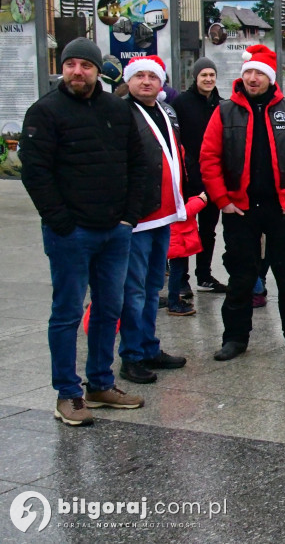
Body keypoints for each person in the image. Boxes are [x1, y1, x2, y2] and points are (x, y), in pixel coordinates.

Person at [20, 37, 146, 426]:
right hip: (71, 233)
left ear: (97, 71)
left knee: (109, 308)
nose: (78, 71)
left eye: (85, 65)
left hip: (115, 230)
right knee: (68, 312)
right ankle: (68, 393)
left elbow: (138, 163)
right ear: (63, 68)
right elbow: (35, 173)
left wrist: (129, 217)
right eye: (71, 64)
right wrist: (60, 221)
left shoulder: (116, 109)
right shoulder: (45, 112)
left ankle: (100, 382)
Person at [200, 44, 285, 360]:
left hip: (283, 209)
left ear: (270, 77)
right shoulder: (225, 111)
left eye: (259, 73)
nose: (253, 78)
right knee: (240, 276)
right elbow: (209, 157)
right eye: (248, 72)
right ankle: (235, 339)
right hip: (240, 209)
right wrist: (222, 199)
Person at [117, 56, 190, 384]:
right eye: (140, 76)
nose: (146, 82)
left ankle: (148, 346)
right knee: (133, 290)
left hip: (163, 214)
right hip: (137, 217)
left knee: (151, 287)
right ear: (129, 80)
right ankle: (131, 355)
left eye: (152, 76)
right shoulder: (122, 113)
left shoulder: (163, 111)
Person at [171, 57, 227, 293]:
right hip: (187, 178)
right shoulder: (181, 104)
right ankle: (181, 280)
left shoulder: (222, 104)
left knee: (208, 230)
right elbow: (177, 141)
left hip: (213, 178)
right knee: (183, 230)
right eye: (204, 75)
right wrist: (189, 171)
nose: (208, 79)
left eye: (212, 75)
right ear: (196, 77)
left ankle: (204, 275)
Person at [166, 191, 209, 317]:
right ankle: (173, 302)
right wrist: (200, 200)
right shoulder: (171, 195)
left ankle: (175, 300)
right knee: (176, 271)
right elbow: (183, 213)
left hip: (179, 239)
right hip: (177, 240)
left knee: (178, 270)